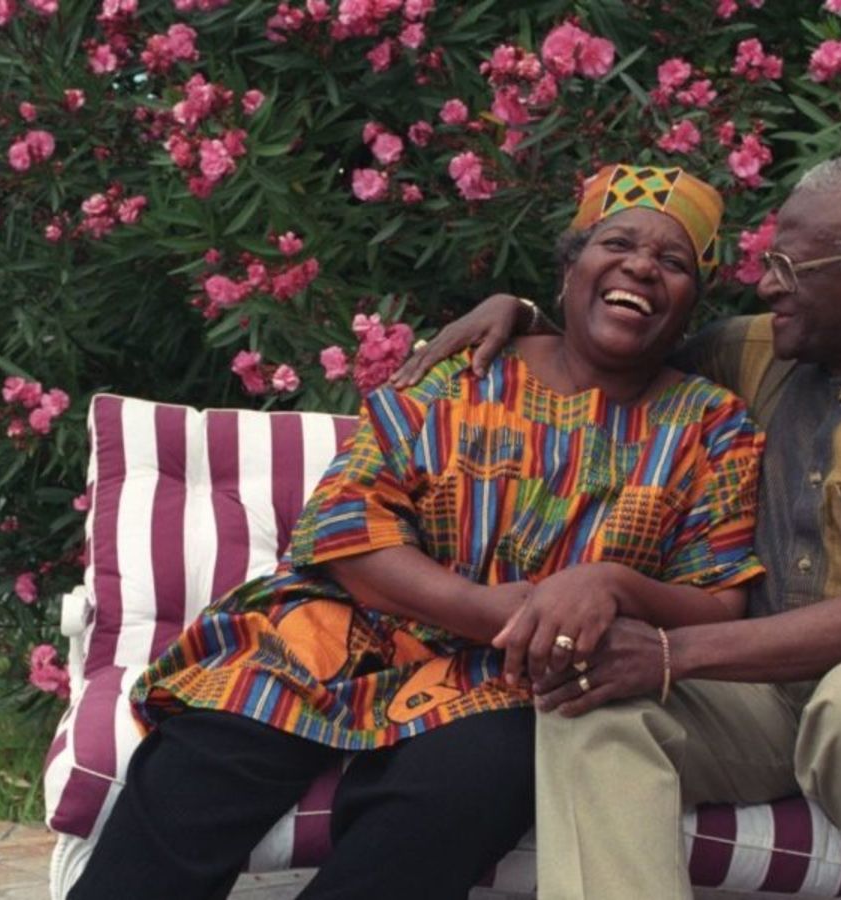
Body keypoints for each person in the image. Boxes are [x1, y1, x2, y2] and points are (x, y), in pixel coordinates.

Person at [69, 163, 768, 900]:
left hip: (509, 685)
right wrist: (497, 610)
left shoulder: (712, 427)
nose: (641, 268)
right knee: (204, 760)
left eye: (673, 261)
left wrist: (613, 585)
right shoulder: (470, 368)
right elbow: (347, 530)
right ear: (569, 269)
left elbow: (718, 603)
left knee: (456, 798)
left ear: (693, 302)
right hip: (344, 630)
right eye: (617, 243)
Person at [396, 152, 841, 900]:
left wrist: (674, 653)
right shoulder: (760, 350)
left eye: (792, 266)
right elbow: (618, 334)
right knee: (592, 701)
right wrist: (521, 311)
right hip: (763, 691)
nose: (767, 283)